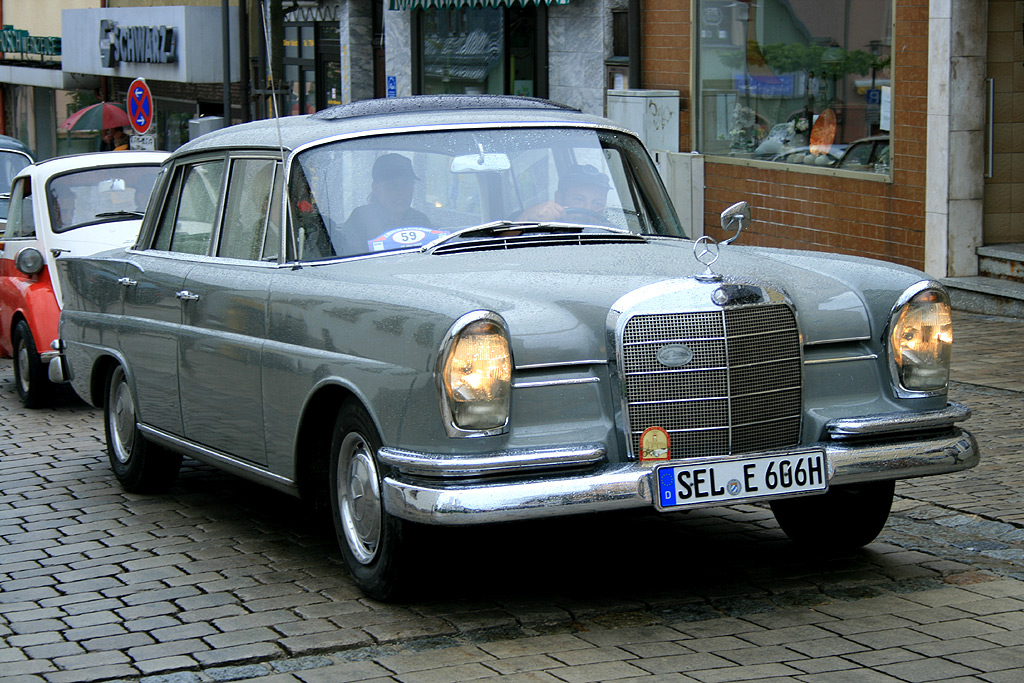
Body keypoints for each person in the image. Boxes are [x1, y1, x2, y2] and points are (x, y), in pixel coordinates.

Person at [337, 153, 430, 254]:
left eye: (406, 184)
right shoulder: (360, 219)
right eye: (393, 185)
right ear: (376, 188)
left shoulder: (420, 220)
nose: (400, 192)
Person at [517, 164, 611, 223]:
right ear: (559, 198)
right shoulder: (538, 228)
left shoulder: (614, 235)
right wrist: (524, 218)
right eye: (579, 199)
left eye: (597, 203)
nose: (588, 208)